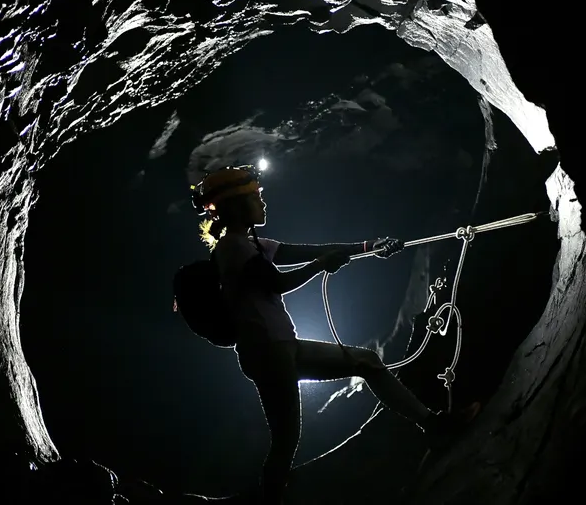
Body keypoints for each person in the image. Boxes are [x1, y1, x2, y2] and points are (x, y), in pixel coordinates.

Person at [192, 165, 473, 504]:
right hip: (266, 352)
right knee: (286, 438)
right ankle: (269, 499)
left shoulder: (252, 243)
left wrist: (370, 245)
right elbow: (277, 283)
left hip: (281, 346)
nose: (263, 203)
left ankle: (435, 427)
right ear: (236, 206)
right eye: (256, 197)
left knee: (366, 362)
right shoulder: (232, 249)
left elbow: (310, 250)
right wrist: (321, 264)